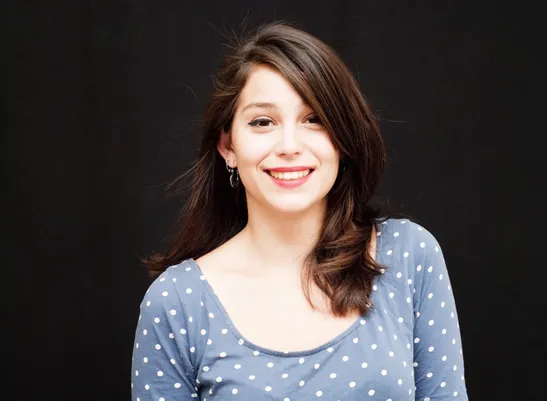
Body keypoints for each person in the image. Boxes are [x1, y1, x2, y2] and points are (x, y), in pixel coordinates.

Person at [131, 21, 468, 401]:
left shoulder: (409, 255)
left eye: (315, 119)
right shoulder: (177, 301)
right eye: (263, 122)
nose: (289, 145)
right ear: (228, 145)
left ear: (343, 139)